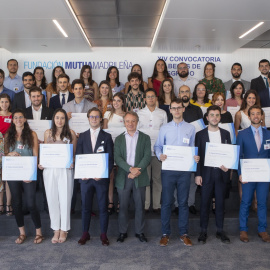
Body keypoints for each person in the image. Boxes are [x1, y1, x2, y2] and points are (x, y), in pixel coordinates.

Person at [154, 98, 199, 247]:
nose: (177, 110)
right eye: (174, 108)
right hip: (168, 170)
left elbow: (192, 148)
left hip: (185, 171)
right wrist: (160, 155)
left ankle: (184, 234)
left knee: (183, 203)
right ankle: (165, 234)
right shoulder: (164, 128)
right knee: (166, 202)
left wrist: (195, 157)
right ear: (170, 110)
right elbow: (158, 146)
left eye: (179, 107)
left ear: (183, 109)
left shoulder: (191, 129)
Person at [4, 109, 43, 244]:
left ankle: (39, 232)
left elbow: (35, 156)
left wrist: (31, 174)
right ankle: (22, 232)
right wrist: (10, 154)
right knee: (17, 203)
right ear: (12, 120)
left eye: (21, 117)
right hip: (14, 173)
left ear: (25, 119)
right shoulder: (8, 134)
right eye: (15, 118)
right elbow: (5, 153)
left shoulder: (32, 134)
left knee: (31, 203)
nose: (18, 120)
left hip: (28, 173)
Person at [76, 107, 114, 246]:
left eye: (96, 117)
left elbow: (110, 160)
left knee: (103, 207)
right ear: (88, 119)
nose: (94, 119)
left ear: (100, 119)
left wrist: (103, 174)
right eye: (91, 117)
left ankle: (104, 234)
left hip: (101, 180)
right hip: (86, 180)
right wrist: (82, 174)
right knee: (85, 207)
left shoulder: (107, 137)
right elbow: (78, 157)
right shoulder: (82, 136)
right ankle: (85, 233)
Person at [38, 108, 77, 244]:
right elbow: (44, 152)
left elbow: (73, 154)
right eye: (57, 118)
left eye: (62, 118)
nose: (59, 121)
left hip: (65, 170)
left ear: (65, 120)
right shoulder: (47, 133)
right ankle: (56, 228)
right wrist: (41, 163)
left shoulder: (70, 133)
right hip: (50, 170)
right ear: (53, 119)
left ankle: (64, 229)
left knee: (65, 199)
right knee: (52, 198)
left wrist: (72, 162)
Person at [195, 105, 231, 244]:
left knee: (220, 204)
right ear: (207, 117)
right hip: (206, 174)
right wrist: (197, 174)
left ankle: (220, 230)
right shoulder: (200, 134)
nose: (214, 117)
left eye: (217, 115)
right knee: (204, 203)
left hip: (221, 174)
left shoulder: (226, 134)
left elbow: (229, 154)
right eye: (212, 115)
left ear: (220, 117)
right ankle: (203, 231)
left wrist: (229, 166)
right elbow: (197, 156)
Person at [115, 111, 151, 243]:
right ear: (124, 123)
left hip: (139, 175)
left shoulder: (145, 138)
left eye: (133, 121)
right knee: (123, 206)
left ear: (137, 122)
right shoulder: (119, 139)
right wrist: (130, 169)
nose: (130, 123)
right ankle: (122, 232)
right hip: (123, 176)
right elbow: (117, 158)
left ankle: (140, 232)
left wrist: (136, 171)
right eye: (128, 121)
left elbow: (147, 156)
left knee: (140, 206)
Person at [62, 79, 97, 213]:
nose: (78, 91)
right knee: (72, 177)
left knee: (87, 175)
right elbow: (61, 126)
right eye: (75, 89)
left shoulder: (92, 105)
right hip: (71, 142)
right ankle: (71, 207)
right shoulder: (66, 107)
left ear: (84, 90)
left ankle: (87, 208)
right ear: (72, 90)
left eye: (80, 88)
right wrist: (66, 119)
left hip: (87, 142)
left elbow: (95, 122)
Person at [237, 105, 270, 243]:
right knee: (245, 202)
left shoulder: (269, 134)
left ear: (262, 116)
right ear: (249, 117)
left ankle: (262, 230)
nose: (256, 116)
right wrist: (239, 173)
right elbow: (238, 155)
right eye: (253, 114)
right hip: (248, 174)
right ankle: (243, 229)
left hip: (264, 174)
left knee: (262, 202)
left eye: (258, 113)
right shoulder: (242, 134)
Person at [138, 89, 167, 214]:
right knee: (146, 179)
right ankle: (146, 205)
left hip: (158, 151)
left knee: (157, 178)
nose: (150, 99)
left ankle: (156, 205)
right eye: (148, 97)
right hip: (144, 151)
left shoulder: (162, 113)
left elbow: (165, 132)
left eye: (153, 96)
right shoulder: (139, 113)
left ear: (156, 98)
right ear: (144, 99)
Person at [177, 85, 203, 215]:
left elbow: (201, 128)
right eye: (182, 91)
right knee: (178, 178)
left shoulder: (197, 109)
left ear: (190, 93)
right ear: (179, 94)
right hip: (178, 149)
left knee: (192, 179)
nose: (184, 93)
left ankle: (191, 203)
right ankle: (177, 204)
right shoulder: (175, 108)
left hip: (192, 147)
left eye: (187, 91)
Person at [103, 92, 126, 214]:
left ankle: (120, 202)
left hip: (122, 148)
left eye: (118, 100)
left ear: (123, 102)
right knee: (111, 175)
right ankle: (111, 201)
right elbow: (104, 131)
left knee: (121, 175)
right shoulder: (108, 114)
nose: (116, 103)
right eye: (114, 100)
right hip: (110, 147)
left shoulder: (127, 115)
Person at [0, 94, 13, 216]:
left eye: (6, 102)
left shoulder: (13, 116)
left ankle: (9, 204)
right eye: (2, 102)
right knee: (0, 179)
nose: (4, 104)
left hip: (9, 148)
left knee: (8, 178)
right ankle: (0, 204)